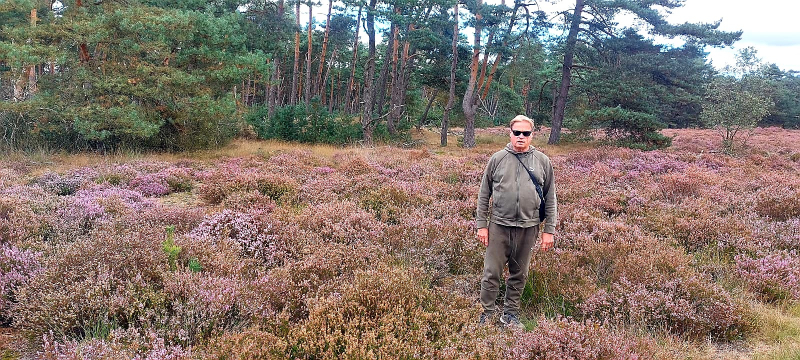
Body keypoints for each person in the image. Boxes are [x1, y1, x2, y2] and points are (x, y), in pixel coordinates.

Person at [476, 115, 558, 328]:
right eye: (517, 133)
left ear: (532, 135)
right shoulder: (497, 158)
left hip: (529, 227)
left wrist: (549, 230)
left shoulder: (542, 161)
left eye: (526, 133)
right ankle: (487, 314)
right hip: (499, 226)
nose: (521, 137)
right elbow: (484, 194)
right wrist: (481, 225)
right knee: (491, 273)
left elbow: (550, 198)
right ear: (510, 133)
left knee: (519, 274)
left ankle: (510, 315)